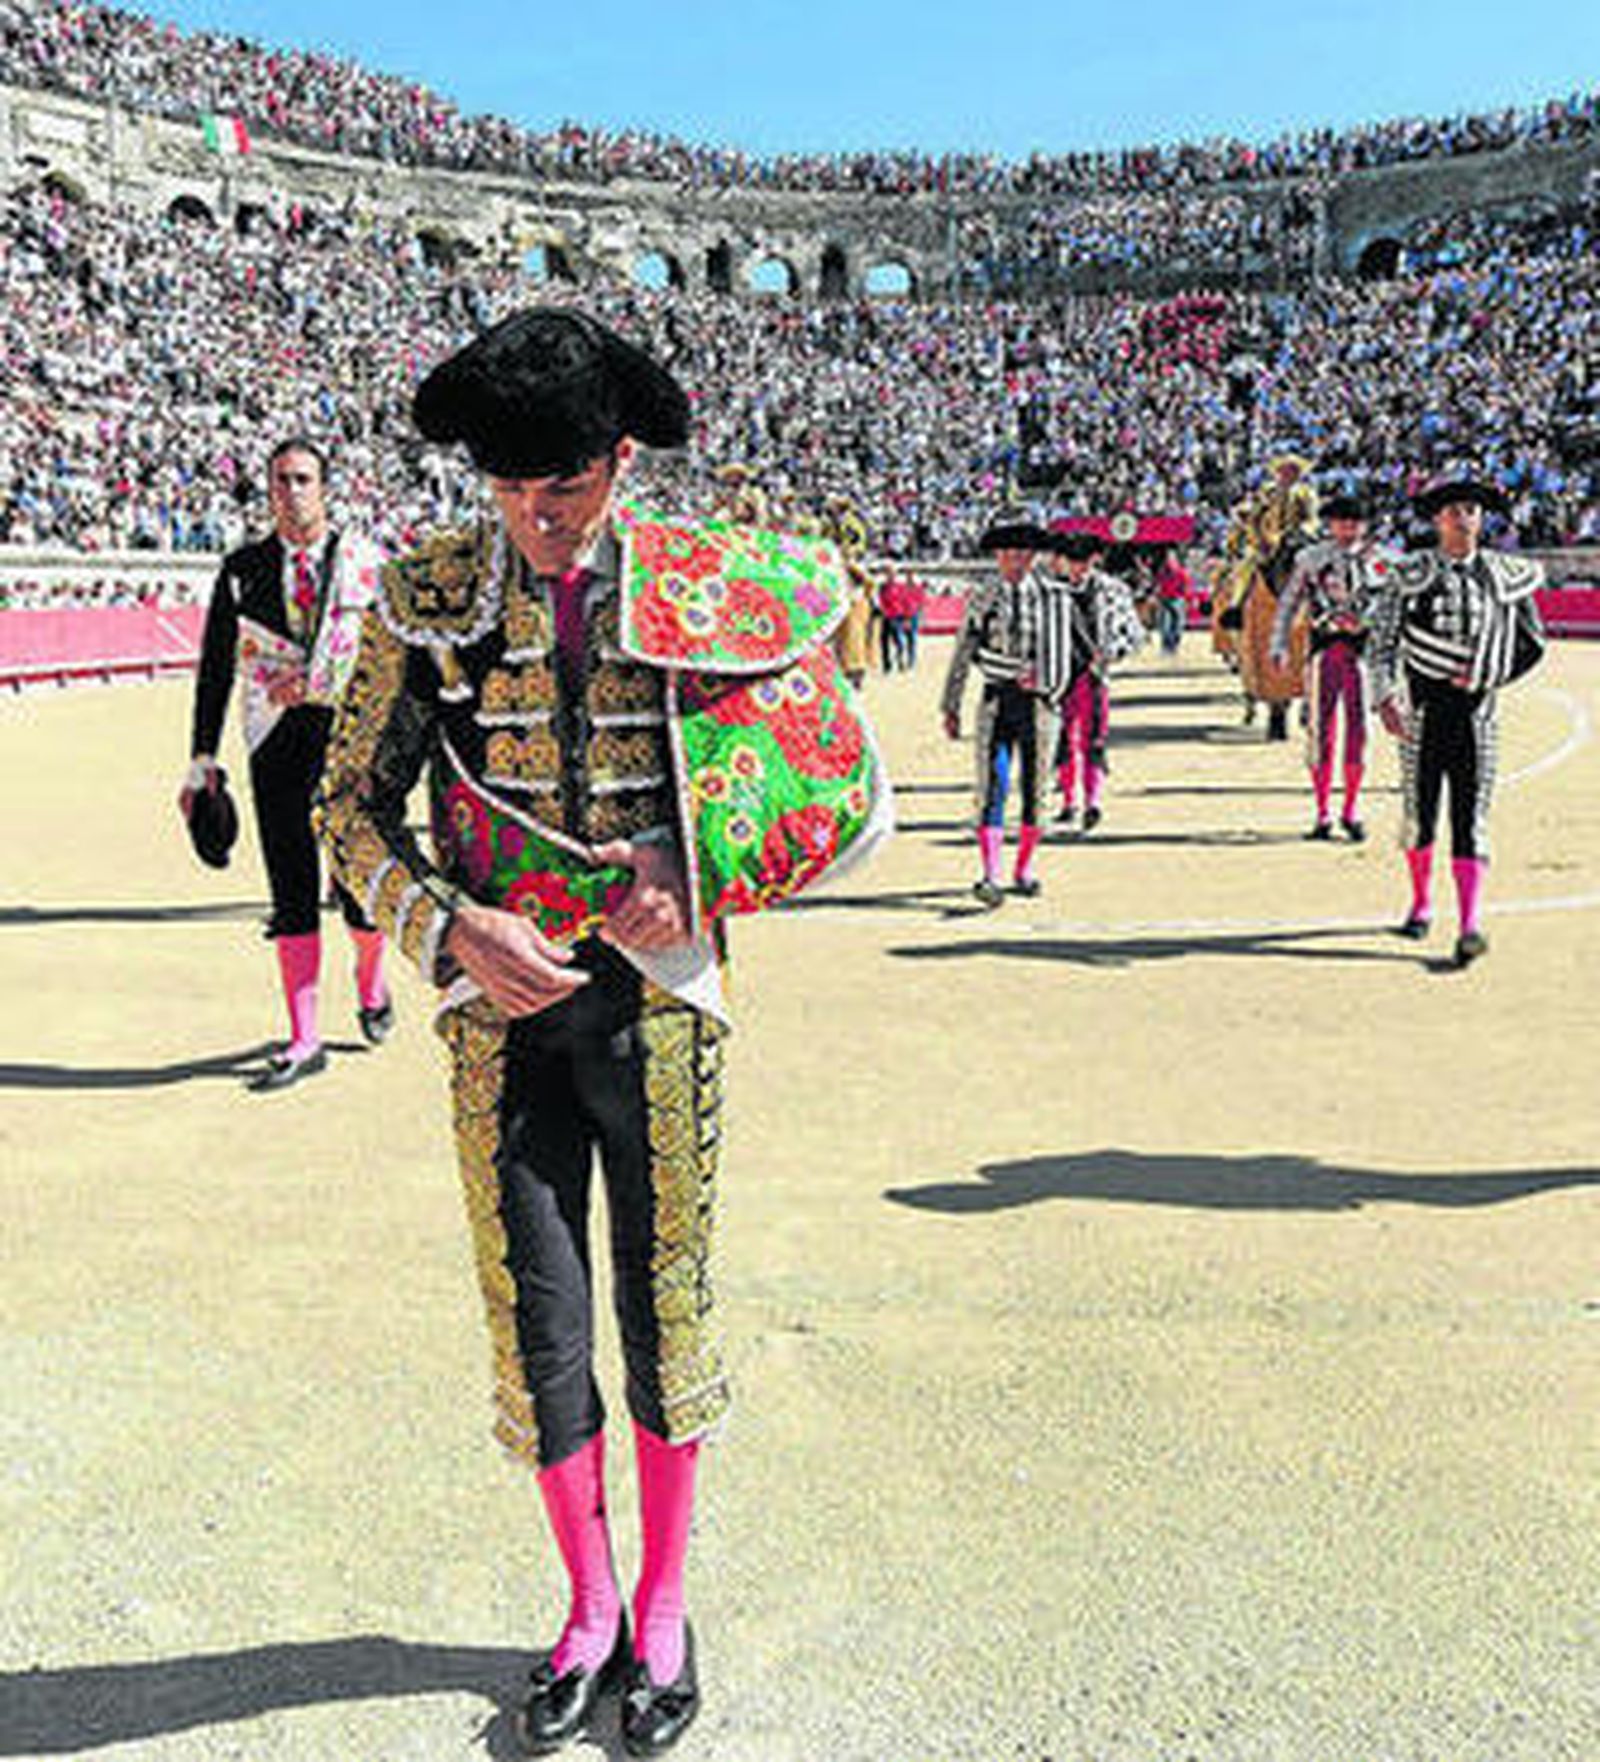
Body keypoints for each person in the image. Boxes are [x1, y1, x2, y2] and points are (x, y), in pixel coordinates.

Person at [314, 307, 887, 1757]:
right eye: (506, 490)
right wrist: (449, 926)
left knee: (665, 1298)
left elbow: (825, 787)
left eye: (560, 486)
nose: (534, 517)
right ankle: (584, 1609)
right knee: (543, 1317)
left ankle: (667, 1604)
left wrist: (695, 865)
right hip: (498, 1011)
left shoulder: (706, 584)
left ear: (619, 461)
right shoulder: (422, 591)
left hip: (660, 995)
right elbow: (344, 807)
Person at [180, 437, 391, 1092]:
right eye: (279, 480)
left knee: (356, 881)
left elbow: (389, 657)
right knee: (290, 879)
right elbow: (216, 666)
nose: (291, 491)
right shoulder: (241, 568)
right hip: (274, 741)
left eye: (302, 479)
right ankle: (304, 1039)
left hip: (349, 738)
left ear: (326, 487)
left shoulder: (366, 563)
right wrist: (201, 758)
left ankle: (370, 979)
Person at [1369, 470, 1546, 967]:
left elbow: (1532, 643)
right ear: (1437, 520)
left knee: (1471, 817)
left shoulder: (1506, 576)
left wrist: (1491, 671)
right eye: (1453, 511)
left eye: (1471, 510)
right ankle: (1422, 904)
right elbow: (1381, 643)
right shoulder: (1410, 573)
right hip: (1421, 713)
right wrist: (1385, 696)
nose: (1463, 518)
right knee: (1419, 812)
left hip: (1478, 712)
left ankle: (1470, 923)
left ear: (1482, 518)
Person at [940, 514, 1056, 903]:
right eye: (1008, 553)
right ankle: (990, 875)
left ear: (1034, 557)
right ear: (998, 556)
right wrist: (951, 705)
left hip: (1040, 703)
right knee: (994, 785)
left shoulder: (1054, 596)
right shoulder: (984, 596)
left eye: (1023, 553)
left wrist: (1053, 680)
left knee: (1035, 787)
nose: (1015, 560)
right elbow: (964, 652)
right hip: (996, 699)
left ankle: (1022, 870)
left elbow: (1071, 651)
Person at [1270, 491, 1390, 841]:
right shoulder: (1310, 559)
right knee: (1321, 734)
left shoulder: (1379, 561)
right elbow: (1289, 602)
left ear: (1364, 526)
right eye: (1341, 522)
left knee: (1358, 734)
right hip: (1324, 654)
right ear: (1329, 524)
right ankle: (1322, 814)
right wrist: (1278, 642)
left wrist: (1367, 623)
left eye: (1353, 523)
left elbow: (1389, 605)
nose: (1347, 529)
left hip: (1360, 656)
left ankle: (1350, 811)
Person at [1047, 530, 1147, 830]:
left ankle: (1092, 801)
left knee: (1093, 741)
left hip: (1092, 676)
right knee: (1062, 740)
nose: (1077, 568)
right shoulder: (1050, 591)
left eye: (1083, 562)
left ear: (1094, 560)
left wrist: (1110, 654)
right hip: (1058, 676)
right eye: (1072, 561)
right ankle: (1069, 801)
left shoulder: (1112, 591)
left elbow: (1135, 635)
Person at [1232, 455, 1319, 740]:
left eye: (1293, 470)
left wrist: (1299, 533)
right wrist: (1263, 537)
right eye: (1284, 470)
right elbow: (1256, 519)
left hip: (1298, 541)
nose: (1288, 474)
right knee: (1245, 569)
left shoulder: (1306, 494)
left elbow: (1311, 520)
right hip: (1269, 546)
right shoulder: (1267, 493)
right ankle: (1236, 608)